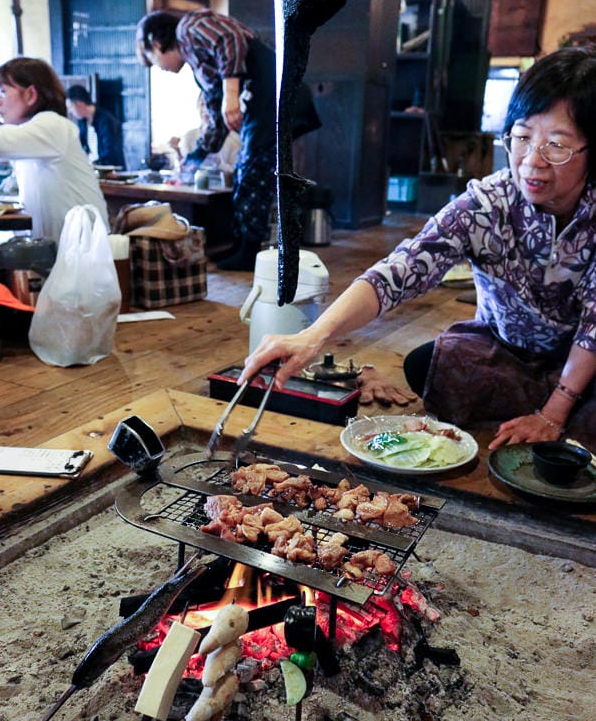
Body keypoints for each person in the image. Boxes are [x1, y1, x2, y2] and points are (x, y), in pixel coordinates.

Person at [239, 47, 596, 451]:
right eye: (522, 136)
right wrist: (313, 336)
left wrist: (553, 413)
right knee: (430, 365)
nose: (532, 161)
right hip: (507, 351)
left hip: (583, 361)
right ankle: (546, 409)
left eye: (557, 145)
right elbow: (402, 269)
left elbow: (594, 326)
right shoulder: (487, 204)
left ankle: (555, 409)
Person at [137, 8, 320, 271]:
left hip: (275, 95)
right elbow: (216, 121)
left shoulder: (189, 26)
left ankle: (247, 254)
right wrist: (195, 157)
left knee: (252, 170)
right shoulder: (200, 66)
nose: (160, 69)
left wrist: (230, 93)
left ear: (155, 44)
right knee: (247, 172)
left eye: (152, 60)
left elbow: (229, 38)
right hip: (266, 103)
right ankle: (240, 247)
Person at [0, 57, 108, 243]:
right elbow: (11, 143)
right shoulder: (37, 133)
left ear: (31, 95)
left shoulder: (54, 125)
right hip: (59, 248)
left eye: (3, 92)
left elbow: (1, 143)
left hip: (85, 252)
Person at [65, 84, 126, 169]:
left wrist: (94, 163)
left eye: (70, 107)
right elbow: (81, 146)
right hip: (93, 169)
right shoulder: (82, 122)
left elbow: (111, 152)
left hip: (111, 171)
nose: (70, 112)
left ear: (80, 104)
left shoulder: (106, 120)